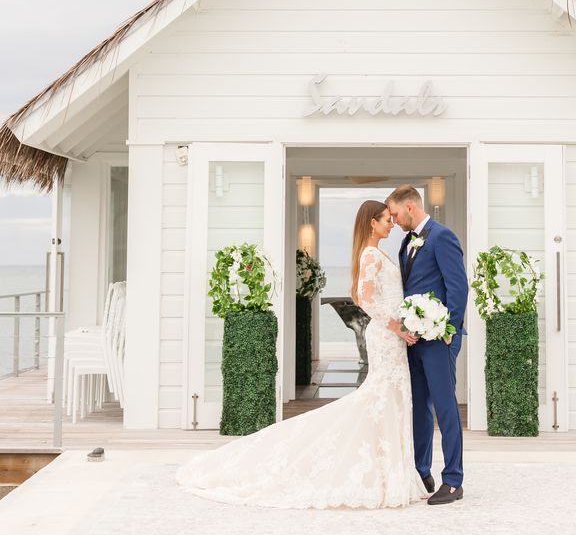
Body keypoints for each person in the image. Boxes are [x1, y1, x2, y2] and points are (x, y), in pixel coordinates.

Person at [176, 200, 425, 509]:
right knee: (382, 399)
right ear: (372, 223)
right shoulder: (371, 254)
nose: (391, 223)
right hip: (386, 337)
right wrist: (396, 326)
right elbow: (365, 300)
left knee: (391, 400)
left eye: (391, 218)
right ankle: (382, 475)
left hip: (392, 338)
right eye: (387, 219)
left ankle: (393, 473)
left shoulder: (380, 252)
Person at [385, 185, 468, 505]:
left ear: (410, 206)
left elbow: (457, 287)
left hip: (439, 339)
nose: (393, 220)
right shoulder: (407, 242)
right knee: (419, 407)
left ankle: (453, 480)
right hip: (414, 339)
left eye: (394, 214)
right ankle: (422, 472)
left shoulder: (442, 236)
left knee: (446, 407)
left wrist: (451, 331)